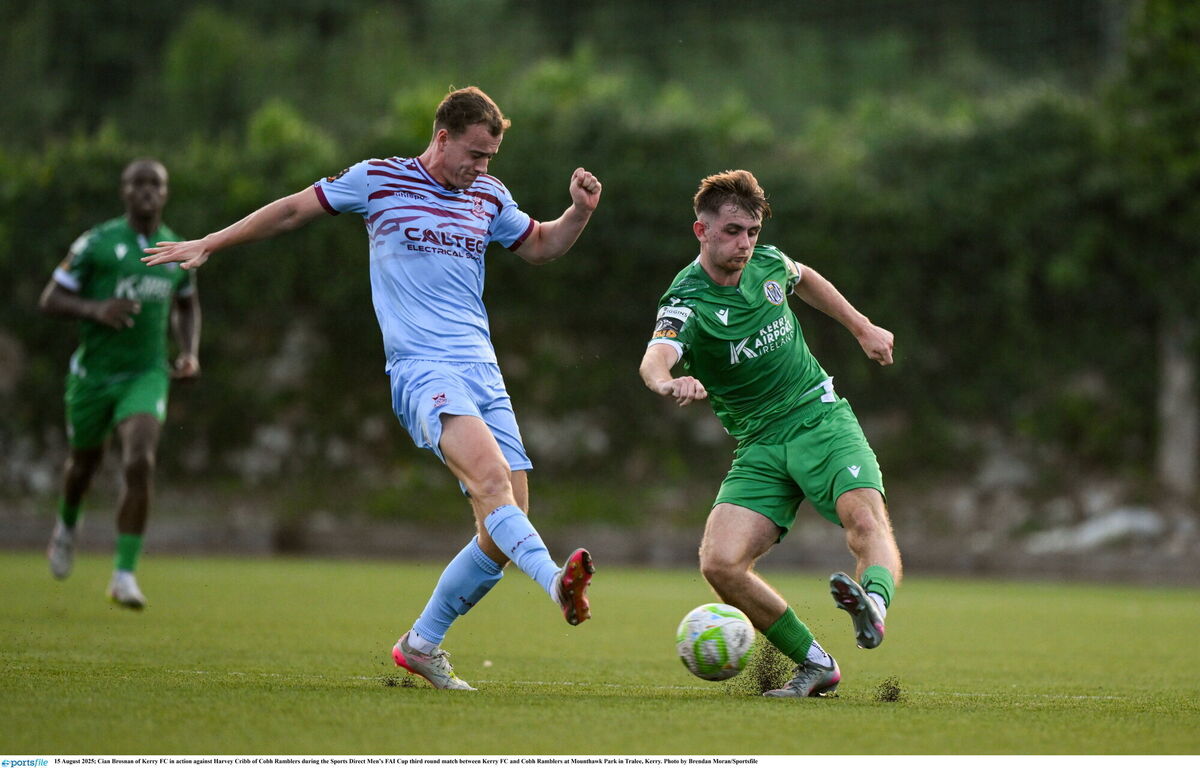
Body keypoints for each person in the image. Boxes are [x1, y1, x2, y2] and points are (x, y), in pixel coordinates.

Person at [143, 86, 600, 690]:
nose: (483, 168)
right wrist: (210, 242)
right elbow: (290, 211)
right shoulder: (379, 179)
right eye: (475, 154)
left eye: (491, 157)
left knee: (499, 531)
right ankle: (556, 585)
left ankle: (421, 645)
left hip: (482, 371)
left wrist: (579, 213)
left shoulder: (488, 195)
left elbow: (540, 245)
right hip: (422, 369)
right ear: (442, 137)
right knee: (492, 486)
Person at [639, 169, 902, 698]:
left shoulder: (767, 262)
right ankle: (815, 663)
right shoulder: (686, 300)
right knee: (720, 563)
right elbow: (654, 359)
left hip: (819, 417)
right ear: (701, 231)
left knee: (865, 519)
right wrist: (670, 383)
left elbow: (804, 277)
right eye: (733, 231)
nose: (745, 244)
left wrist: (862, 327)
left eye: (752, 231)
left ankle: (872, 604)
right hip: (760, 444)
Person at [41, 158, 201, 609]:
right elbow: (51, 298)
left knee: (139, 461)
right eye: (139, 183)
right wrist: (96, 310)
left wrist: (188, 351)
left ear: (166, 194)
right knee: (83, 466)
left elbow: (187, 304)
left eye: (157, 184)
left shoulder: (175, 247)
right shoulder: (96, 243)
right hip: (93, 377)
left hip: (146, 374)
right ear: (124, 191)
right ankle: (67, 525)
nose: (148, 191)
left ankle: (124, 574)